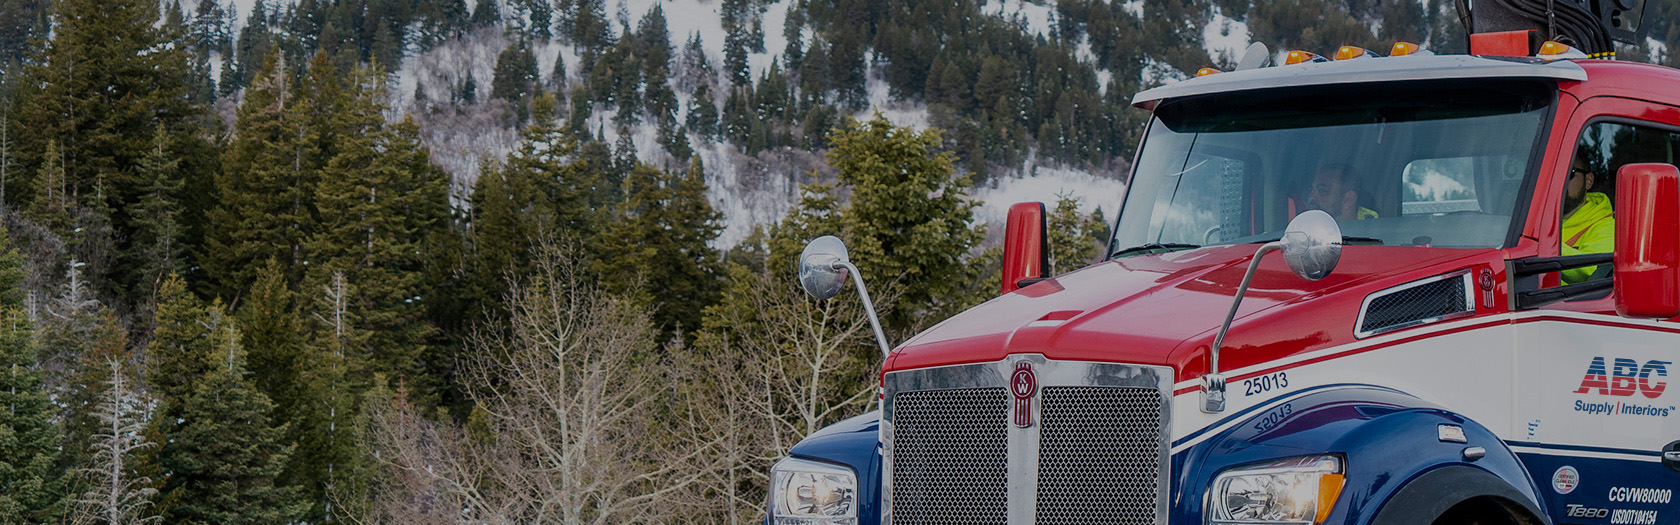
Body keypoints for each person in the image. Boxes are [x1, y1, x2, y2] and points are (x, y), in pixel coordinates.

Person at [1560, 153, 1615, 284]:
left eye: (1569, 172)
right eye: (1553, 173)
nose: (1560, 180)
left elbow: (1593, 272)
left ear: (1588, 180)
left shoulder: (1607, 227)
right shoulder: (1531, 221)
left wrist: (1540, 245)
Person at [1306, 164, 1378, 221]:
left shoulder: (1374, 234)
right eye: (1311, 191)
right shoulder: (1302, 234)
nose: (1311, 197)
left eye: (1322, 191)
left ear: (1348, 199)